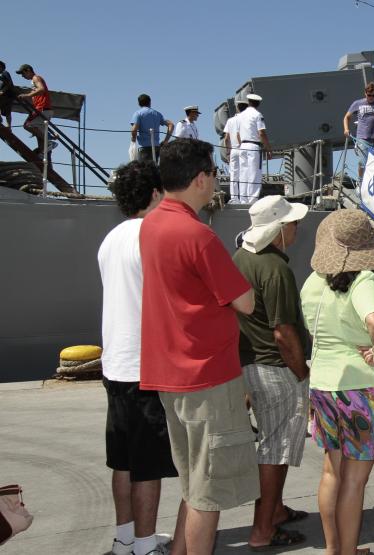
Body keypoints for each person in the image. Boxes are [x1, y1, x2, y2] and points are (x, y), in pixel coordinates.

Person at [139, 139, 258, 555]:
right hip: (207, 375)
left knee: (192, 480)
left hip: (168, 376)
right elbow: (245, 301)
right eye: (213, 173)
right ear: (201, 178)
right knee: (210, 492)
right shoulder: (198, 235)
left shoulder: (150, 225)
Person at [300, 209, 374, 555]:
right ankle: (348, 551)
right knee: (356, 481)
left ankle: (333, 548)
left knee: (332, 472)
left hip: (324, 385)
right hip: (359, 387)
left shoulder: (313, 280)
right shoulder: (364, 281)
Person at [98, 160, 179, 555]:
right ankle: (146, 546)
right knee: (148, 465)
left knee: (124, 461)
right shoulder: (152, 234)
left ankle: (124, 539)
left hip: (115, 364)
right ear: (154, 193)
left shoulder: (110, 239)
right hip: (145, 367)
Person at [233, 196, 312, 550]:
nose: (297, 228)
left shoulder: (241, 259)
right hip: (276, 368)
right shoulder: (275, 269)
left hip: (251, 364)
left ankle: (275, 511)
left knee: (271, 445)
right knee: (275, 451)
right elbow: (283, 332)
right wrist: (302, 372)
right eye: (293, 223)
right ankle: (263, 529)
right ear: (279, 229)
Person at [15, 64, 57, 156]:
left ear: (28, 70)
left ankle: (48, 143)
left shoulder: (36, 78)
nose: (22, 76)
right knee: (39, 134)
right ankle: (42, 153)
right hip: (45, 109)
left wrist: (27, 95)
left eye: (23, 73)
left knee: (27, 125)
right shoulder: (34, 81)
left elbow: (41, 89)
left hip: (42, 108)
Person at [236, 93, 270, 203]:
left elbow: (237, 134)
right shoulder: (257, 115)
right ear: (258, 103)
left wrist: (241, 144)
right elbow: (262, 133)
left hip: (242, 145)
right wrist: (268, 148)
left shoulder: (240, 115)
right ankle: (253, 199)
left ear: (249, 102)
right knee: (254, 172)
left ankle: (243, 199)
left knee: (243, 173)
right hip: (253, 145)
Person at [129, 94, 173, 164]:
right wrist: (166, 140)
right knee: (154, 170)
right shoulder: (157, 114)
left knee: (143, 170)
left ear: (138, 103)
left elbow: (134, 130)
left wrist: (133, 142)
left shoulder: (138, 114)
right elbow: (171, 124)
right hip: (156, 147)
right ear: (150, 102)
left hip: (144, 148)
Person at [344, 81, 374, 147]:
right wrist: (346, 129)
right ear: (365, 93)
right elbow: (346, 117)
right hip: (362, 139)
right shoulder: (357, 103)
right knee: (364, 157)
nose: (371, 97)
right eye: (369, 95)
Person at [222, 99, 248, 203]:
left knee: (233, 175)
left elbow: (226, 138)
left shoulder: (230, 120)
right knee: (244, 174)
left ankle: (234, 198)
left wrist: (228, 152)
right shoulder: (246, 120)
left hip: (233, 150)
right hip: (243, 149)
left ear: (237, 107)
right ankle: (243, 198)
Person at [0, 61, 16, 128]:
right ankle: (7, 124)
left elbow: (9, 83)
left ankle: (8, 126)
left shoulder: (4, 73)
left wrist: (2, 91)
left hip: (7, 96)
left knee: (7, 112)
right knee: (6, 112)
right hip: (4, 96)